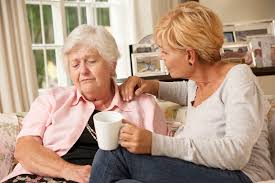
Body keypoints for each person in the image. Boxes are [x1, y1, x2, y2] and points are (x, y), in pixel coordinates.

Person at [90, 2, 275, 183]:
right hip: (205, 170)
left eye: (165, 51)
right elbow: (192, 94)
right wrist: (152, 85)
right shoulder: (199, 82)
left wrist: (155, 143)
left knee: (113, 155)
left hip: (242, 175)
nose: (161, 56)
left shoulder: (239, 80)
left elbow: (236, 154)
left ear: (189, 56)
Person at [1, 25, 168, 183]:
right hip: (41, 177)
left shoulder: (144, 105)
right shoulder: (52, 100)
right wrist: (68, 170)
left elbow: (165, 160)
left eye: (91, 61)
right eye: (75, 64)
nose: (83, 71)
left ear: (112, 65)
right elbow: (24, 149)